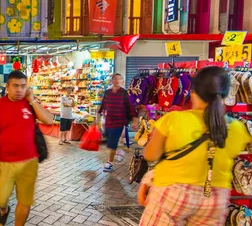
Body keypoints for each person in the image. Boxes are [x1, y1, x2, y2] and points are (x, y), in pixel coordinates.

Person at [140, 66, 252, 225]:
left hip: (172, 193)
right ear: (226, 94)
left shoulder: (174, 120)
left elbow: (150, 155)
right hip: (215, 199)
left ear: (193, 92)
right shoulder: (238, 128)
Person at [0, 70, 55, 226]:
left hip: (30, 161)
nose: (19, 90)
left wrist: (33, 101)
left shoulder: (29, 103)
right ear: (7, 87)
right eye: (15, 86)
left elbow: (49, 120)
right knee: (0, 199)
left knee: (25, 200)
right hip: (4, 162)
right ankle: (4, 211)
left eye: (23, 86)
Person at [99, 73, 137, 172]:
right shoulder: (107, 92)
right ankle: (119, 152)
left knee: (112, 142)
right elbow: (103, 103)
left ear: (122, 81)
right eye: (115, 79)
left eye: (119, 79)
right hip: (108, 121)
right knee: (109, 140)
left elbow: (130, 107)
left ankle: (109, 163)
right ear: (112, 80)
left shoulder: (124, 93)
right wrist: (101, 112)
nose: (117, 81)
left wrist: (134, 120)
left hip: (119, 121)